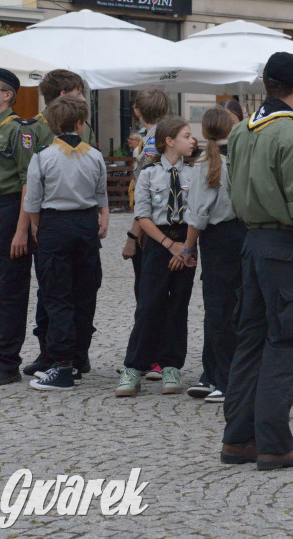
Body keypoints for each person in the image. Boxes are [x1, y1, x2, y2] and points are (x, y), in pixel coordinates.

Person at [220, 52, 293, 471]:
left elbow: (233, 189)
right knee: (286, 342)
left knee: (250, 341)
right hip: (284, 246)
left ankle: (239, 438)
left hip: (251, 241)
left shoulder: (241, 130)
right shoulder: (292, 131)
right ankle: (273, 442)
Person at [24, 97, 108, 390]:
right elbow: (100, 195)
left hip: (55, 224)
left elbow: (32, 201)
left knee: (57, 295)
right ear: (81, 124)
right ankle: (78, 357)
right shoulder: (95, 155)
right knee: (85, 293)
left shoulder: (42, 157)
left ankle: (61, 365)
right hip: (85, 224)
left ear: (50, 125)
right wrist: (102, 217)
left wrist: (37, 225)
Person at [116, 117, 198, 398]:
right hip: (157, 242)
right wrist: (169, 245)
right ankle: (133, 366)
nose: (192, 140)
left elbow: (198, 213)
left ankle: (171, 365)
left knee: (178, 306)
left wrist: (185, 249)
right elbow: (142, 215)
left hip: (186, 241)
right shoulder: (149, 173)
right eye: (186, 136)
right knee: (149, 305)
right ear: (169, 141)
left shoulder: (194, 173)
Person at [182, 106, 246, 404]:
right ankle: (214, 373)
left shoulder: (206, 163)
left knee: (219, 309)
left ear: (204, 131)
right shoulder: (242, 157)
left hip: (218, 239)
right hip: (243, 234)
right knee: (235, 307)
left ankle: (224, 379)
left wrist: (187, 247)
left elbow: (197, 214)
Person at [0, 67, 35, 385]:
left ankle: (6, 362)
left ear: (8, 95)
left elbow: (28, 182)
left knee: (10, 289)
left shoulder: (19, 130)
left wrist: (21, 229)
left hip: (9, 210)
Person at [121, 86, 170, 382]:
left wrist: (133, 234)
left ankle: (151, 356)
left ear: (137, 111)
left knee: (148, 293)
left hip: (149, 226)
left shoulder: (152, 143)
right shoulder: (159, 137)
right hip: (157, 222)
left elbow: (146, 194)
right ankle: (154, 354)